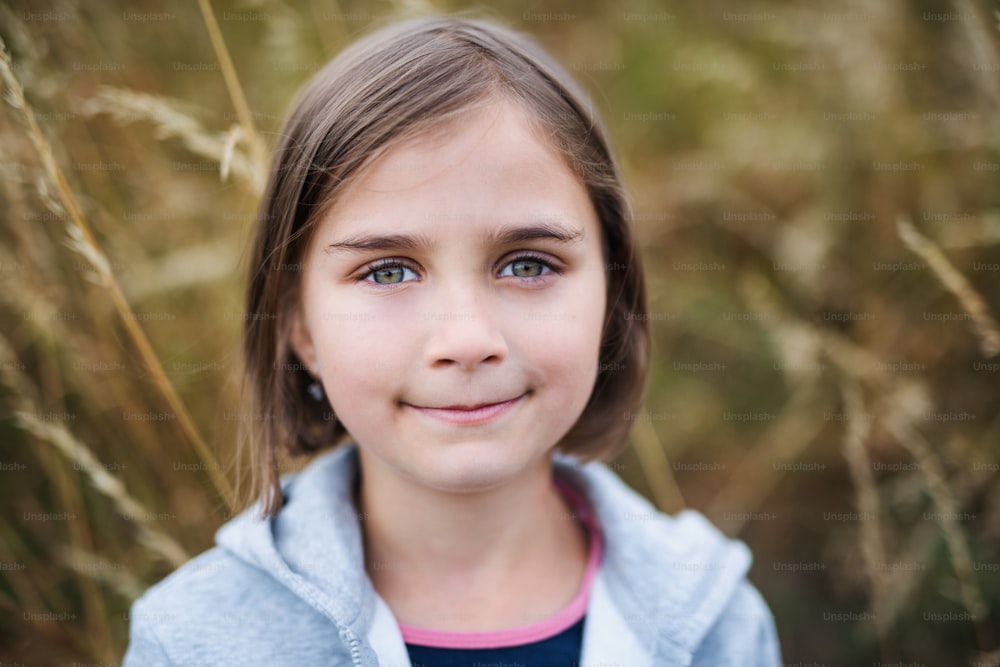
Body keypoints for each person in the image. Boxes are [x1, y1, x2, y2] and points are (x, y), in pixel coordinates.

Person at [123, 14, 780, 666]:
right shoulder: (195, 640)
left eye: (528, 264)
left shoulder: (711, 621)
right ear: (300, 326)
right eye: (387, 271)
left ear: (610, 295)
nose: (467, 340)